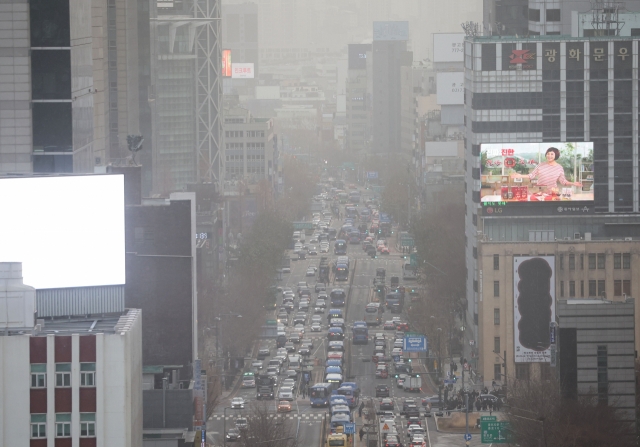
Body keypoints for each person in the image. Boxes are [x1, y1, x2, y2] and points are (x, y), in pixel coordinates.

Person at [511, 147, 582, 190]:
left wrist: (573, 183)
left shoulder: (559, 168)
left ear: (556, 155)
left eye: (552, 154)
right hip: (539, 191)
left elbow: (563, 181)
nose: (549, 156)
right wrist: (520, 176)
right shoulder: (540, 165)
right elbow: (531, 175)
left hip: (553, 192)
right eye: (548, 154)